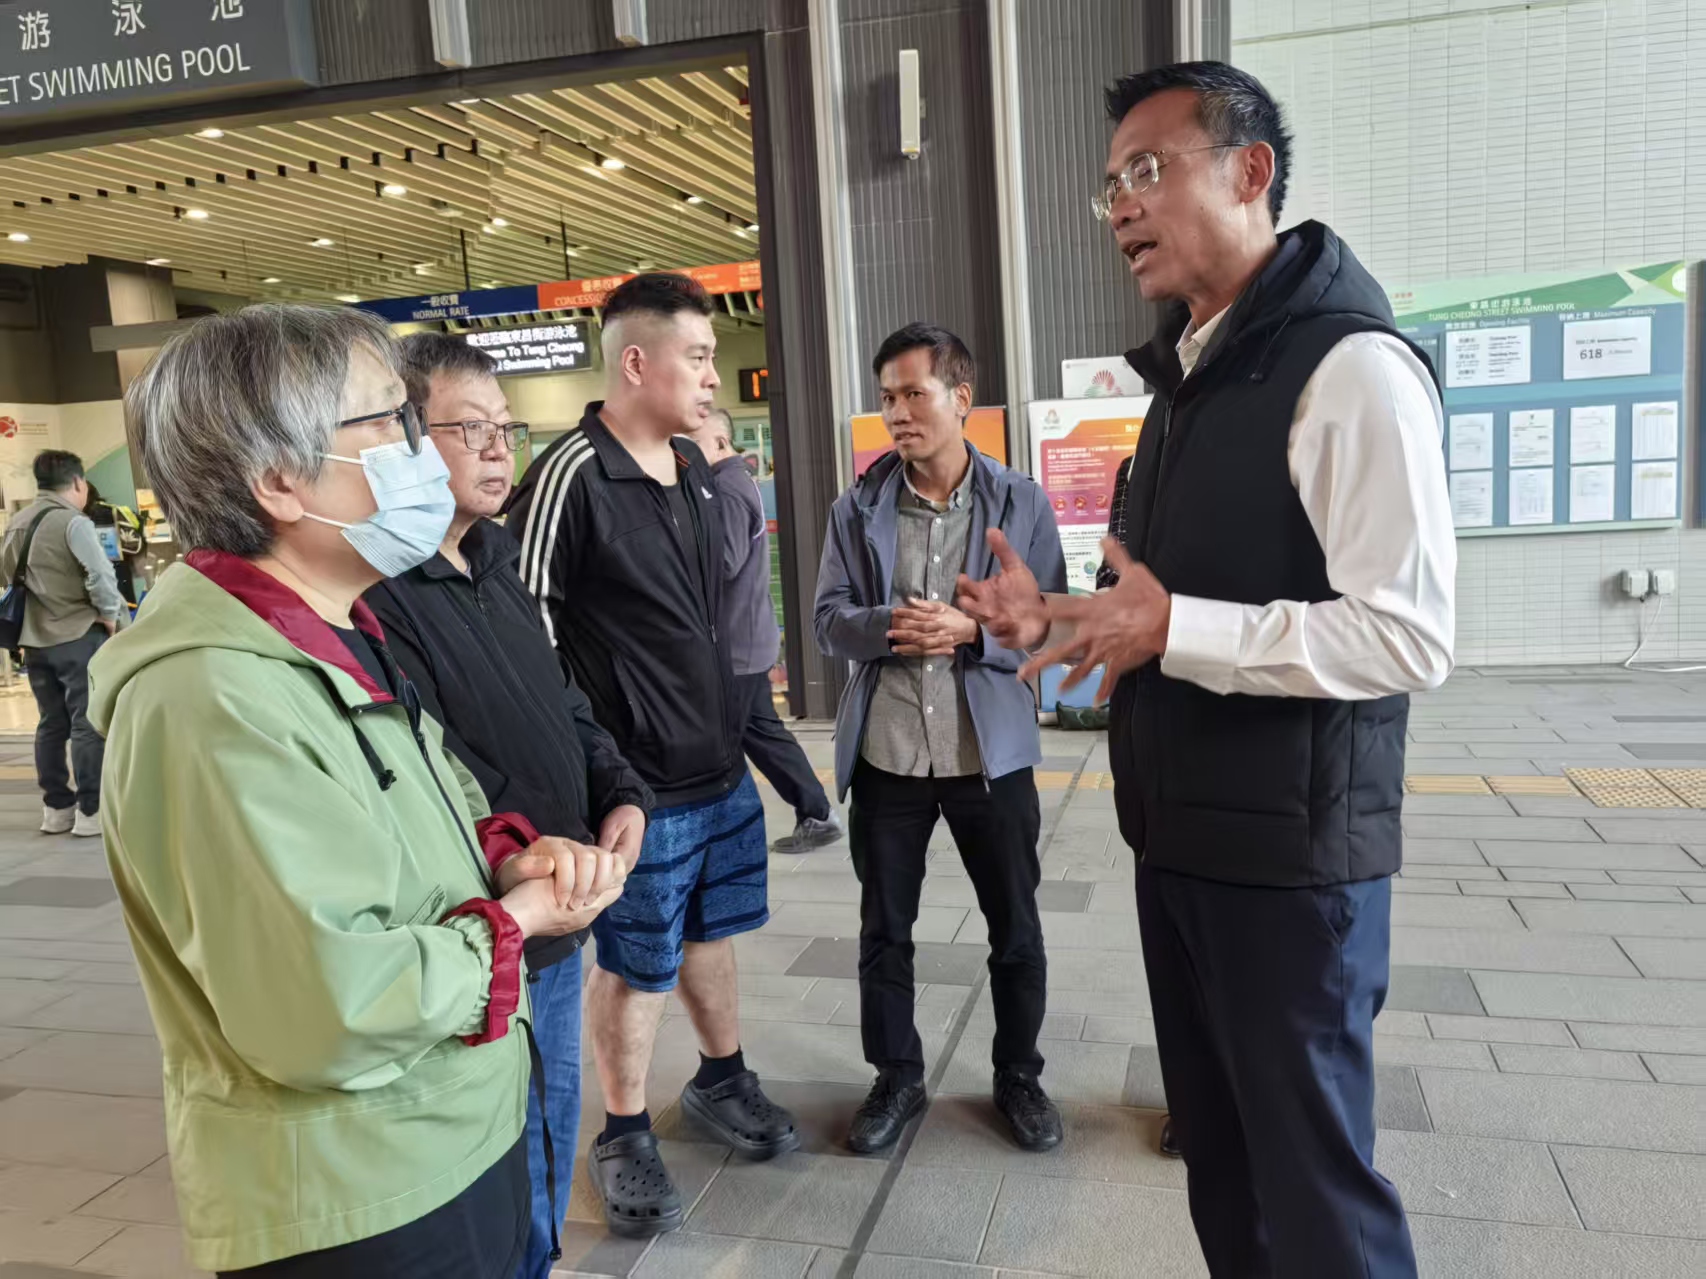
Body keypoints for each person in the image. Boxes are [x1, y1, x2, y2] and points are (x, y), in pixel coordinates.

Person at [960, 63, 1454, 1279]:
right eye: (1108, 187)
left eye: (1146, 170)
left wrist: (1173, 627)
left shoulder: (1348, 368)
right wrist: (1054, 616)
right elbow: (1169, 602)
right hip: (1179, 845)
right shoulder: (1189, 376)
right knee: (1225, 1176)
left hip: (1289, 867)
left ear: (1249, 173)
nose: (1120, 206)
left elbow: (1405, 635)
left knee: (1317, 1199)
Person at [89, 303, 623, 1277]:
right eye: (390, 420)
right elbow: (327, 1005)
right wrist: (514, 923)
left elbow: (420, 810)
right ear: (277, 479)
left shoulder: (334, 632)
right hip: (361, 1196)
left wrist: (506, 856)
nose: (418, 451)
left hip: (447, 1135)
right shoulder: (212, 695)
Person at [506, 273, 798, 1240]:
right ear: (636, 362)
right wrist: (594, 767)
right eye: (699, 357)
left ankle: (722, 1077)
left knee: (712, 932)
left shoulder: (694, 469)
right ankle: (624, 1130)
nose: (714, 376)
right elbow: (528, 633)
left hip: (718, 766)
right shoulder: (571, 476)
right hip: (636, 786)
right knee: (637, 961)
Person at [364, 333, 655, 1279]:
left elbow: (561, 699)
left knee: (547, 1135)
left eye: (505, 428)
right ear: (404, 440)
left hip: (557, 920)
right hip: (486, 927)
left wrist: (619, 789)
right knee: (501, 1159)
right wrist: (534, 854)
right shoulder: (379, 595)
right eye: (470, 429)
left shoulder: (495, 556)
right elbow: (436, 767)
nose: (499, 450)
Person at [814, 323, 1068, 1156]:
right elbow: (827, 620)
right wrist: (892, 626)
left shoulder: (1020, 502)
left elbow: (1049, 622)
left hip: (987, 756)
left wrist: (973, 632)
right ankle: (896, 1075)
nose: (897, 412)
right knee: (884, 928)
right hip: (889, 753)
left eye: (913, 394)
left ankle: (1019, 1076)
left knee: (1015, 925)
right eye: (887, 397)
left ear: (961, 397)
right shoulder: (856, 507)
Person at [682, 407, 842, 854]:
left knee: (732, 741)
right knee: (757, 734)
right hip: (744, 640)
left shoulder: (728, 487)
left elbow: (726, 560)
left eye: (692, 443)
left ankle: (808, 815)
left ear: (719, 442)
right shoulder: (733, 482)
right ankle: (816, 813)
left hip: (739, 644)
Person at [0, 450, 127, 838]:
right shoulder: (74, 522)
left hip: (34, 641)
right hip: (78, 635)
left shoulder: (16, 523)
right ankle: (91, 810)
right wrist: (110, 615)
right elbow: (100, 574)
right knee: (86, 722)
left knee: (51, 723)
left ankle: (56, 808)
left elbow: (7, 576)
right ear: (77, 482)